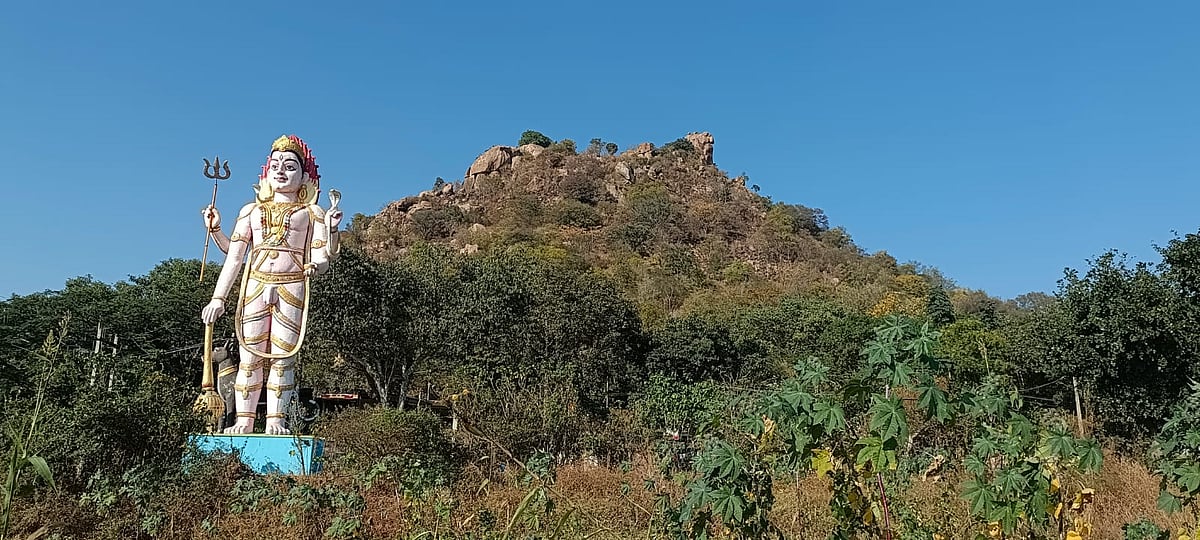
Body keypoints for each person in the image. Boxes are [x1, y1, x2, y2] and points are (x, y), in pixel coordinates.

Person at [200, 135, 342, 434]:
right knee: (249, 357)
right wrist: (218, 297)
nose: (281, 171)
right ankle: (244, 420)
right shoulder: (250, 211)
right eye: (275, 165)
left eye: (289, 166)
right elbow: (235, 256)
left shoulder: (312, 213)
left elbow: (322, 258)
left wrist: (330, 234)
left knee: (282, 357)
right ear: (265, 173)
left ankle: (276, 420)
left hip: (291, 287)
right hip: (255, 286)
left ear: (304, 177)